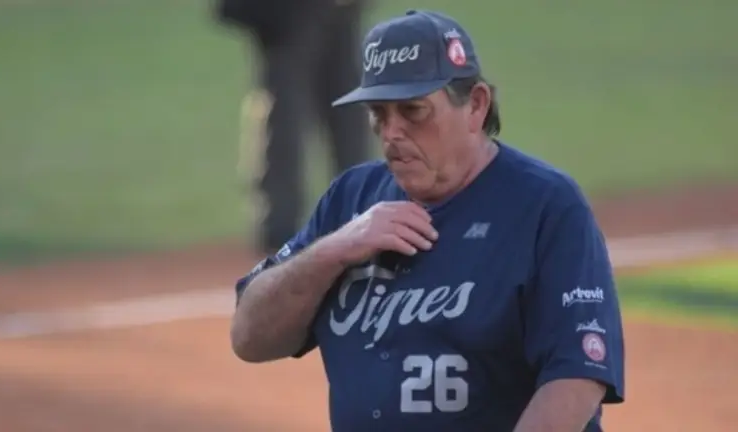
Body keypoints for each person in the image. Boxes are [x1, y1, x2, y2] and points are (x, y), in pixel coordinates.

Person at [230, 9, 625, 432]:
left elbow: (576, 379)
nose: (391, 132)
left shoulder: (546, 206)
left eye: (413, 110)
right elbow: (249, 337)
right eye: (379, 113)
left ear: (475, 106)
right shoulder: (351, 199)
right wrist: (335, 249)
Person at [215, 0, 372, 254]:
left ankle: (360, 211)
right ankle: (279, 228)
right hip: (287, 15)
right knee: (286, 118)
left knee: (350, 117)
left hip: (338, 12)